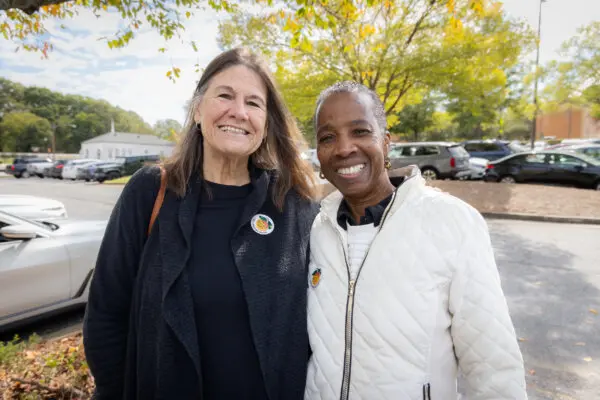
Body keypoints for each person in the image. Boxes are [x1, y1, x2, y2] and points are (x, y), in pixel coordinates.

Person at [83, 48, 319, 400]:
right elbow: (106, 313)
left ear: (267, 122)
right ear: (197, 109)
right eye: (225, 95)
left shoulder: (293, 202)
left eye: (254, 103)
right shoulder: (150, 191)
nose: (238, 112)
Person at [304, 81, 527, 400]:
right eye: (328, 137)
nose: (343, 148)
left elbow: (493, 366)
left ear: (386, 143)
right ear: (319, 157)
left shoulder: (452, 222)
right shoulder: (317, 229)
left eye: (360, 131)